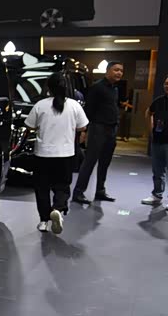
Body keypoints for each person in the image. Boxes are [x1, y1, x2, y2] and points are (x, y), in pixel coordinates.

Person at [25, 73, 89, 234]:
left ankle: (44, 221)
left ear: (49, 87)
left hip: (43, 154)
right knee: (62, 186)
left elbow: (30, 125)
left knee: (42, 188)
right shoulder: (74, 105)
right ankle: (58, 209)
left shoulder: (40, 105)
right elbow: (82, 127)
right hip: (66, 154)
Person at [72, 61, 124, 204]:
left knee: (105, 162)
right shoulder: (97, 87)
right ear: (108, 70)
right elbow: (89, 109)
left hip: (111, 129)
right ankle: (78, 192)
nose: (119, 73)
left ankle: (100, 190)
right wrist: (85, 130)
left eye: (121, 70)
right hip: (98, 128)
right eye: (116, 70)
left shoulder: (115, 89)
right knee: (90, 161)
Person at [142, 75, 168, 206]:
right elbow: (148, 112)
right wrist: (150, 129)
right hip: (158, 140)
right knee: (157, 170)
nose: (167, 86)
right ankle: (157, 195)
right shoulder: (159, 101)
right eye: (166, 83)